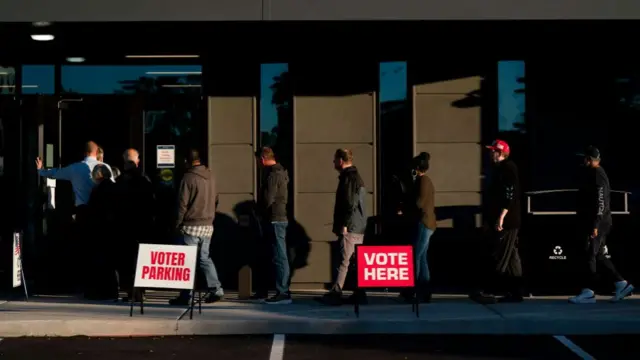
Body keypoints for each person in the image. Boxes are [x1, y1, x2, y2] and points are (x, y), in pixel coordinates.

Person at [569, 146, 634, 304]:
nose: (582, 161)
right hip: (595, 221)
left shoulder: (598, 174)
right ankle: (621, 284)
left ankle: (589, 293)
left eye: (584, 158)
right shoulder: (592, 174)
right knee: (599, 254)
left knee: (590, 253)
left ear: (590, 159)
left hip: (598, 222)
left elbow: (601, 202)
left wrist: (596, 224)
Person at [470, 140, 524, 304]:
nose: (490, 153)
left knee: (500, 255)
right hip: (506, 220)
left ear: (500, 153)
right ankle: (516, 292)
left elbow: (510, 195)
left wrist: (501, 217)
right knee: (512, 256)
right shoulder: (499, 169)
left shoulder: (508, 168)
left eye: (493, 151)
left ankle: (489, 290)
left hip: (507, 222)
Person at [169, 149, 224, 305]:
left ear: (188, 161)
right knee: (204, 258)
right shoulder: (211, 176)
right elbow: (216, 199)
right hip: (207, 224)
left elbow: (182, 205)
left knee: (187, 261)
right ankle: (216, 289)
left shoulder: (188, 178)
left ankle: (186, 295)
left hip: (191, 225)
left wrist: (178, 224)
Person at [321, 148, 368, 306]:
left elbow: (350, 203)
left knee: (344, 260)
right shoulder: (355, 176)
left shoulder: (349, 177)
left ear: (341, 160)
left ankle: (336, 292)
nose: (333, 163)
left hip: (351, 226)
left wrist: (345, 225)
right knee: (354, 260)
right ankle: (359, 293)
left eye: (335, 159)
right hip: (358, 225)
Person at [114, 149, 155, 302]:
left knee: (126, 260)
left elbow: (115, 206)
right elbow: (152, 203)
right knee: (141, 259)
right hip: (142, 227)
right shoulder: (145, 180)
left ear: (124, 162)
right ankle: (140, 290)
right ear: (137, 161)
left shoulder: (120, 182)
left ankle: (131, 291)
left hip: (125, 227)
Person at [253, 147, 292, 304]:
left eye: (258, 161)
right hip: (277, 218)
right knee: (272, 255)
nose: (258, 164)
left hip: (275, 219)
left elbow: (268, 199)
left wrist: (259, 212)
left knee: (279, 256)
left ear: (262, 159)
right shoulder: (280, 172)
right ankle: (268, 290)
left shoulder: (273, 175)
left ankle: (283, 292)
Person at [405, 152, 436, 303]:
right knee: (422, 258)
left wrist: (405, 207)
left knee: (415, 256)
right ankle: (425, 291)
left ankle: (414, 290)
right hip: (428, 223)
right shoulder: (425, 180)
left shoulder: (423, 181)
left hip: (424, 223)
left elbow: (419, 202)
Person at [85, 164, 119, 300]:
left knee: (101, 262)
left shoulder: (99, 190)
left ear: (99, 175)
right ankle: (111, 291)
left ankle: (101, 291)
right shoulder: (113, 187)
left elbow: (95, 210)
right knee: (110, 263)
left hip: (101, 230)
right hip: (111, 230)